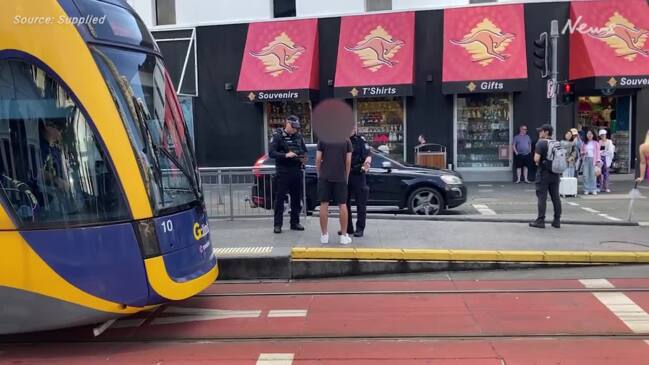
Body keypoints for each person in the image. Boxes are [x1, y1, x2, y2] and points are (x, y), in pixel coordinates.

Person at [268, 115, 307, 234]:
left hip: (296, 170)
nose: (295, 129)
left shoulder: (299, 137)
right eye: (293, 127)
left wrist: (303, 159)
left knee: (296, 198)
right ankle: (278, 224)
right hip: (283, 171)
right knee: (279, 199)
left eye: (297, 127)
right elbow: (271, 153)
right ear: (287, 124)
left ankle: (295, 222)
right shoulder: (278, 136)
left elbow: (304, 150)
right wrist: (285, 155)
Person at [316, 137, 352, 245]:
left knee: (323, 204)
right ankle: (344, 236)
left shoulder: (322, 139)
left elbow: (318, 159)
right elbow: (348, 160)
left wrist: (319, 173)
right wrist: (346, 176)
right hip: (340, 176)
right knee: (342, 204)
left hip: (325, 176)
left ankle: (324, 235)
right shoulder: (346, 140)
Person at [529, 124, 561, 229]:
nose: (539, 133)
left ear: (546, 132)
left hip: (543, 173)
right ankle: (557, 220)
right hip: (555, 173)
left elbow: (536, 159)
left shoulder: (541, 143)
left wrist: (538, 162)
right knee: (555, 197)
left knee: (542, 197)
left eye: (541, 131)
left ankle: (540, 220)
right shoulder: (557, 143)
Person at [344, 126, 371, 238]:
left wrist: (367, 164)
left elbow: (368, 155)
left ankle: (360, 228)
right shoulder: (341, 141)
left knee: (361, 204)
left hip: (358, 175)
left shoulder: (360, 140)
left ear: (355, 128)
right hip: (345, 175)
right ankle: (347, 227)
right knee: (344, 203)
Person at [581, 129, 601, 195]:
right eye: (588, 134)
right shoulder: (584, 143)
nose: (589, 135)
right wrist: (584, 153)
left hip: (593, 160)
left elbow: (598, 153)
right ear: (586, 135)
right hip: (586, 159)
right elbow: (581, 152)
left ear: (593, 135)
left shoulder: (596, 143)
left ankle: (593, 189)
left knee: (593, 175)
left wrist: (598, 161)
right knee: (585, 175)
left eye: (591, 134)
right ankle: (586, 189)